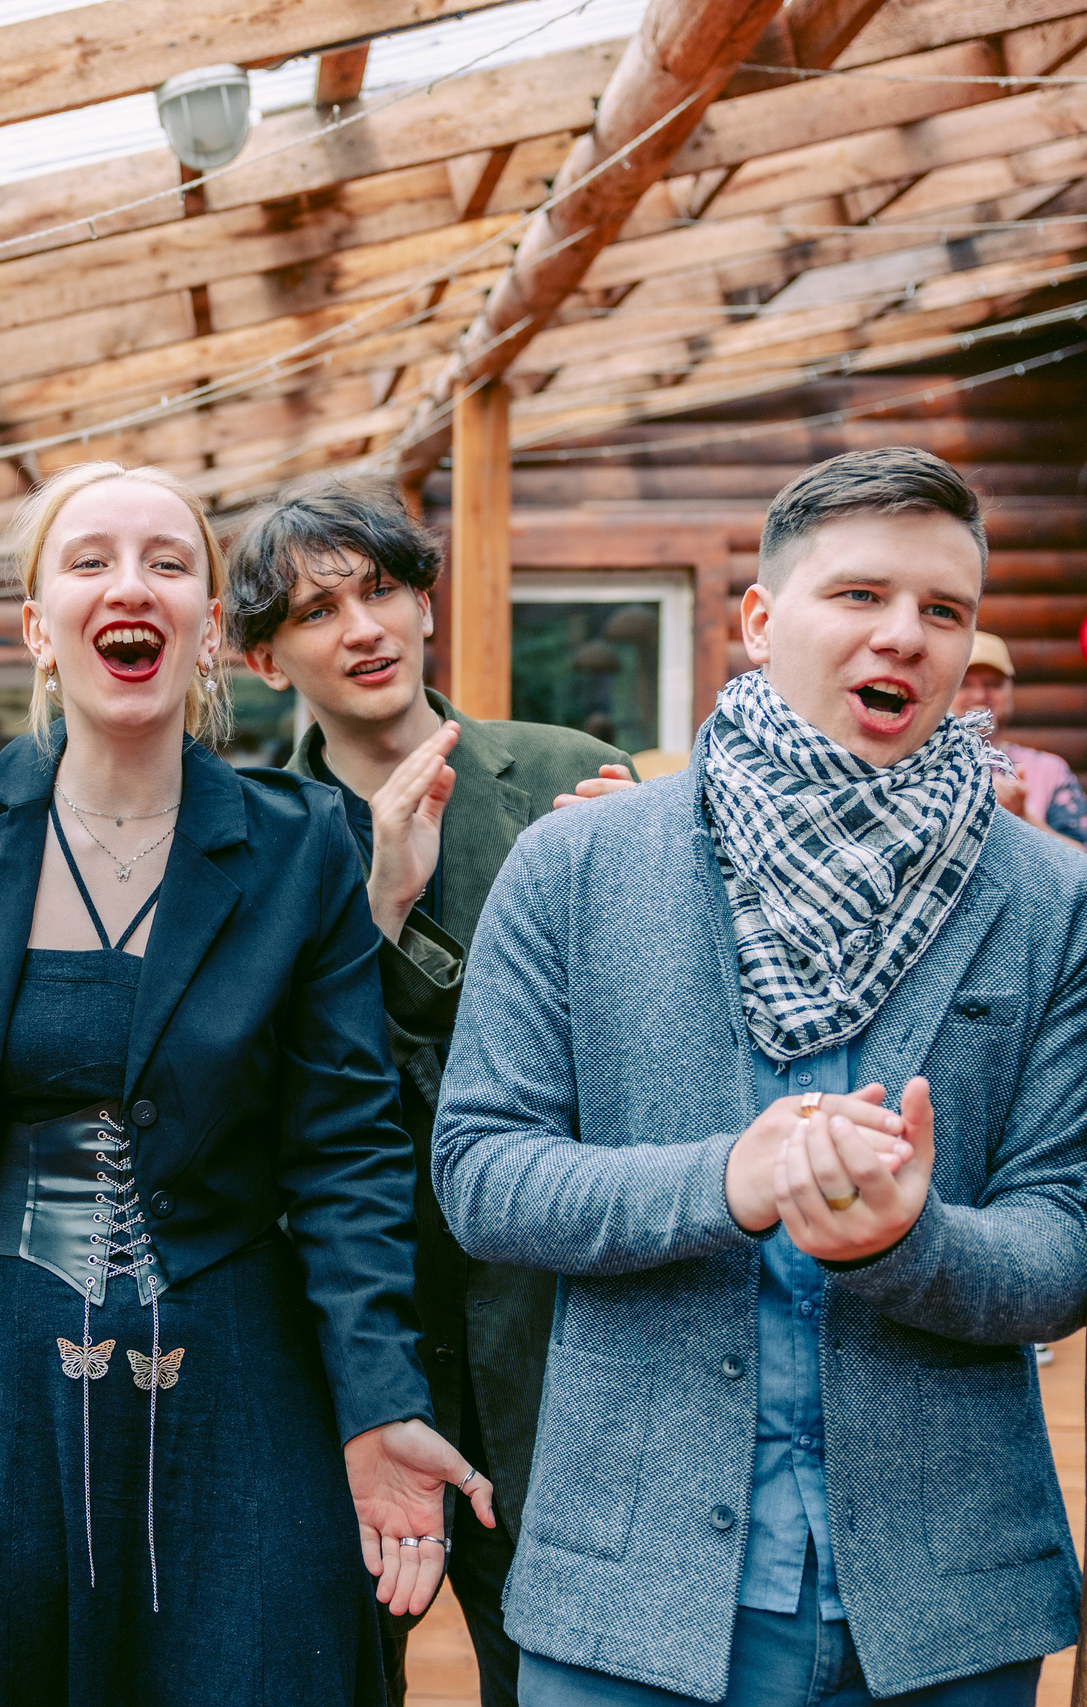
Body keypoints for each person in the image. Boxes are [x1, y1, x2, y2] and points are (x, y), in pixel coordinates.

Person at [0, 461, 491, 1707]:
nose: (132, 586)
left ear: (207, 627)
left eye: (168, 563)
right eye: (90, 560)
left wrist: (378, 1402)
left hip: (241, 1389)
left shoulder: (296, 845)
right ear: (36, 625)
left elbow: (348, 1152)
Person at [432, 448, 1087, 1706]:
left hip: (945, 1609)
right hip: (628, 1594)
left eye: (943, 609)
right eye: (859, 595)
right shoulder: (574, 865)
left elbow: (1062, 1251)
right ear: (759, 620)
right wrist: (721, 1182)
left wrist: (910, 1242)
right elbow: (480, 1174)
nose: (903, 635)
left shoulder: (1053, 900)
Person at [225, 475, 632, 1707]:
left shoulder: (569, 779)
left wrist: (656, 895)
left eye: (381, 590)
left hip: (551, 1339)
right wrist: (375, 913)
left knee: (559, 1679)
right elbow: (247, 1100)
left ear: (423, 605)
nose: (362, 628)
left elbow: (651, 1053)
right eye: (316, 611)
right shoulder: (245, 839)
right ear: (263, 659)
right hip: (345, 1352)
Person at [951, 631, 1087, 853]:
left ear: (1010, 691)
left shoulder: (1051, 770)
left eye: (993, 684)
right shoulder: (920, 766)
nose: (980, 695)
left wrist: (1023, 818)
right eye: (964, 683)